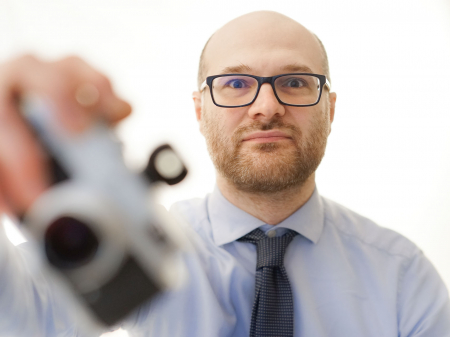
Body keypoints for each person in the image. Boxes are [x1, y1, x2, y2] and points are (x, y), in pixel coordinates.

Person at [0, 10, 449, 337]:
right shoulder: (130, 242)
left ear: (329, 109)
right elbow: (18, 315)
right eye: (236, 84)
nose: (267, 107)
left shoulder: (402, 277)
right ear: (200, 110)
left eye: (294, 82)